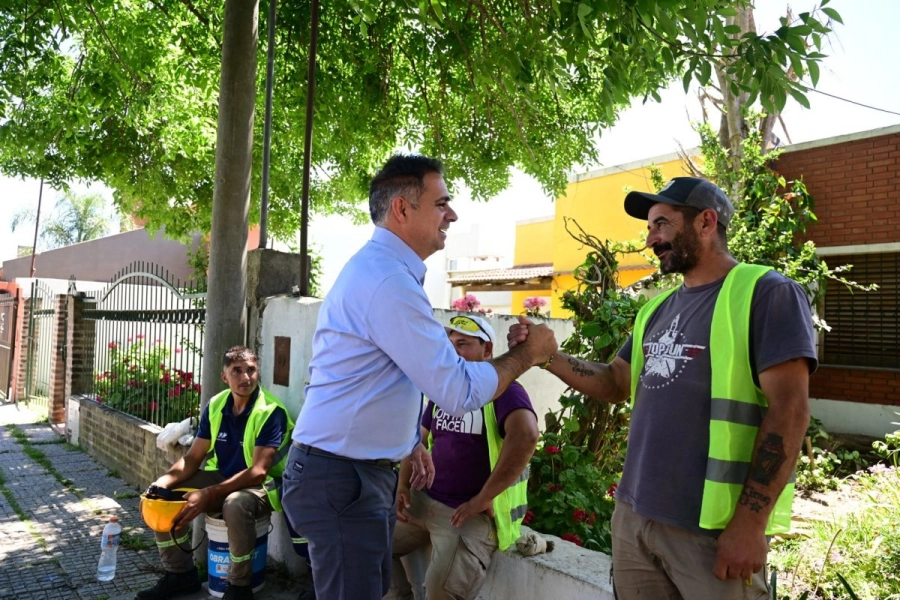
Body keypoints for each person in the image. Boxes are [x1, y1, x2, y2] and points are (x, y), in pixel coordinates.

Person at [509, 177, 817, 600]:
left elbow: (790, 411)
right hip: (635, 518)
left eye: (662, 224)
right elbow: (616, 382)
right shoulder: (656, 309)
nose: (652, 239)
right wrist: (548, 357)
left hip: (710, 530)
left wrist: (750, 523)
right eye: (651, 228)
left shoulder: (766, 292)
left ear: (706, 222)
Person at [281, 154, 557, 600]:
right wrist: (528, 354)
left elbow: (375, 377)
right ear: (402, 209)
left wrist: (410, 439)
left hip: (343, 474)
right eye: (441, 203)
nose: (453, 214)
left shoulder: (382, 273)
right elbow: (459, 390)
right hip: (342, 479)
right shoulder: (389, 281)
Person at [386, 315, 539, 600]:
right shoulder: (445, 392)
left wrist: (485, 498)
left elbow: (527, 436)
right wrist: (403, 485)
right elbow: (417, 438)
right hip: (424, 501)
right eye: (449, 345)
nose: (453, 352)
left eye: (463, 344)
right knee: (371, 545)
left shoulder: (505, 392)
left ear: (488, 349)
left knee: (440, 592)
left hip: (466, 513)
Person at [136, 346, 294, 600]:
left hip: (261, 486)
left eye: (251, 370)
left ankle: (240, 586)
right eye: (237, 371)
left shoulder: (270, 412)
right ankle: (180, 575)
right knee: (161, 497)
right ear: (225, 377)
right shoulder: (217, 405)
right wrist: (161, 482)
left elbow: (258, 472)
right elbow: (193, 458)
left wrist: (210, 494)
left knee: (235, 504)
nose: (246, 377)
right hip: (222, 478)